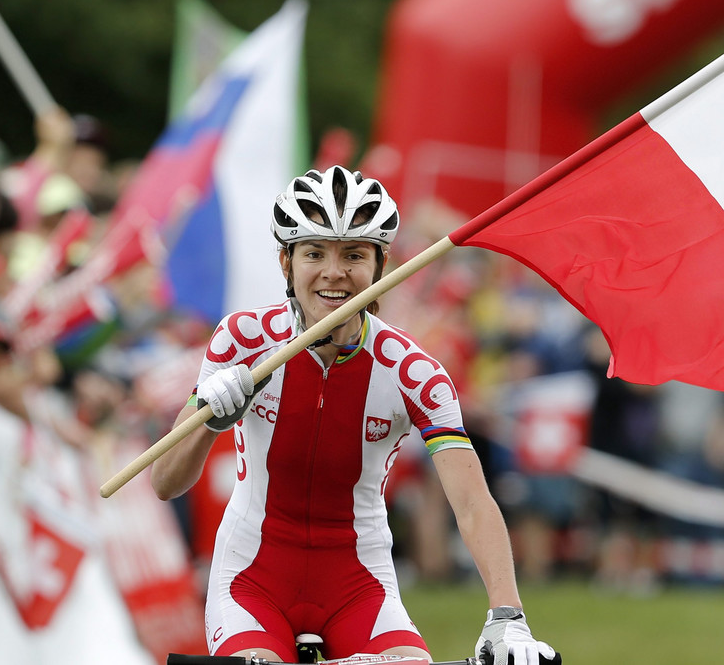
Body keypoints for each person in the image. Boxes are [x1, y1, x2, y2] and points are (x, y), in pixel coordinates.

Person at [150, 166, 558, 665]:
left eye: (354, 255)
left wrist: (507, 618)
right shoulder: (242, 340)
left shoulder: (414, 371)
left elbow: (471, 502)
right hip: (252, 578)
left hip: (358, 585)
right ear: (286, 261)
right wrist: (206, 419)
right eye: (315, 252)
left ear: (381, 265)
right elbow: (165, 482)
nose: (334, 273)